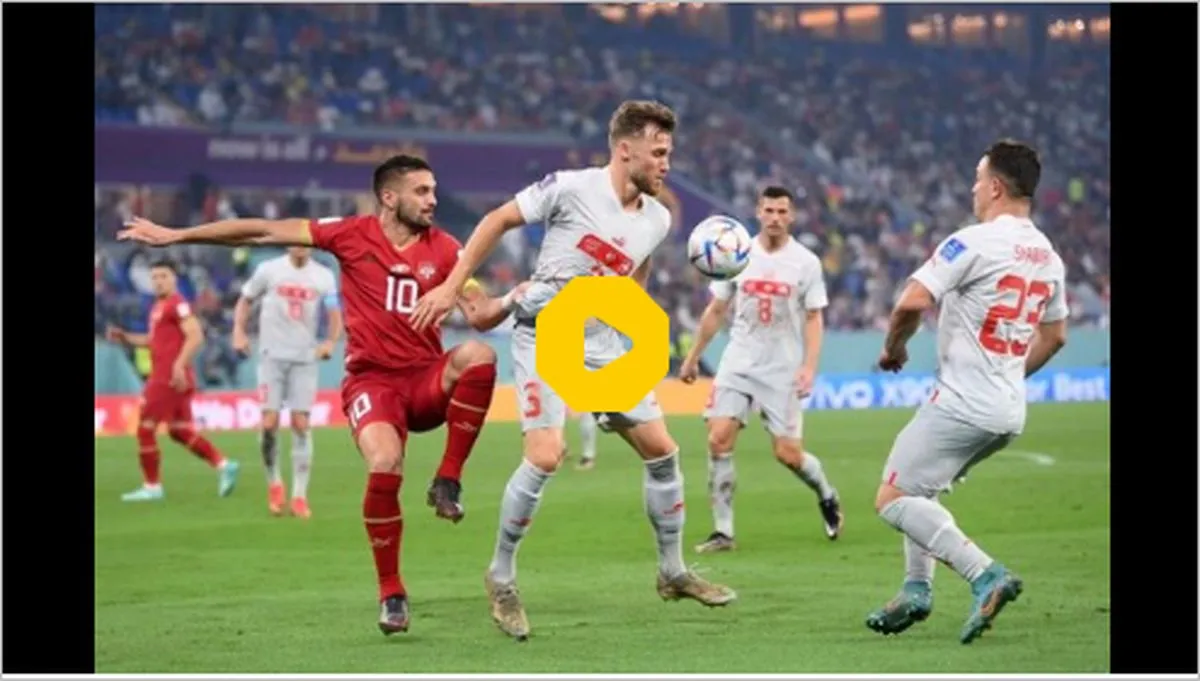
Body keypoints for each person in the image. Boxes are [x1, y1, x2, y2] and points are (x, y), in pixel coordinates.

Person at [118, 154, 526, 636]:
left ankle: (448, 480)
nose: (433, 200)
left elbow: (480, 315)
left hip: (424, 381)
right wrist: (177, 235)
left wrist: (514, 299)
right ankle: (392, 592)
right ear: (389, 197)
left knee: (480, 354)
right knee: (384, 463)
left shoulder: (447, 249)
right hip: (372, 382)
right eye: (422, 191)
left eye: (434, 190)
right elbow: (261, 232)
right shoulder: (347, 234)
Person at [410, 100, 737, 641]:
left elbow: (636, 273)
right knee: (545, 454)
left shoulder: (658, 218)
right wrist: (451, 287)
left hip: (603, 342)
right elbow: (497, 220)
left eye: (669, 153)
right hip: (547, 333)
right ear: (625, 149)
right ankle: (501, 578)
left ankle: (672, 571)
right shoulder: (570, 187)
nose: (666, 164)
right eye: (658, 153)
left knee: (663, 451)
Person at [865, 140, 1068, 644]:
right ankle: (915, 589)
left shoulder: (972, 243)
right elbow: (1056, 336)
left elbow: (911, 303)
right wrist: (1008, 375)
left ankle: (985, 574)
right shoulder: (1049, 256)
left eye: (978, 180)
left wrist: (893, 349)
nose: (973, 189)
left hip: (961, 403)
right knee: (921, 487)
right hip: (1008, 410)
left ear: (995, 187)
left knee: (892, 497)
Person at [680, 186, 843, 553]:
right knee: (718, 438)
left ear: (792, 216)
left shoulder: (805, 262)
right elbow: (716, 310)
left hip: (782, 367)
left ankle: (826, 493)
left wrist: (809, 367)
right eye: (769, 210)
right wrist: (692, 358)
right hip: (739, 359)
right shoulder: (736, 253)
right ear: (758, 213)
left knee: (788, 454)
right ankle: (723, 532)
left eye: (782, 211)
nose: (775, 218)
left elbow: (814, 318)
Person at [106, 260, 241, 501]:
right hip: (175, 377)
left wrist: (179, 364)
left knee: (145, 428)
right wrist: (125, 337)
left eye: (163, 276)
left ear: (174, 279)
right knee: (179, 431)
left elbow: (196, 336)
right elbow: (152, 340)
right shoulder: (159, 307)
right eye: (155, 277)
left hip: (167, 377)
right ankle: (224, 465)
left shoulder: (178, 304)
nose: (158, 281)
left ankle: (152, 487)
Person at [232, 246, 341, 519]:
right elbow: (245, 299)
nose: (299, 246)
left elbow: (334, 312)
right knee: (269, 423)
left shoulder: (324, 275)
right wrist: (239, 332)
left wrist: (330, 341)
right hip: (272, 357)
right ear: (287, 243)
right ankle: (275, 484)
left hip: (304, 358)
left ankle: (299, 496)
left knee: (301, 424)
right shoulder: (269, 270)